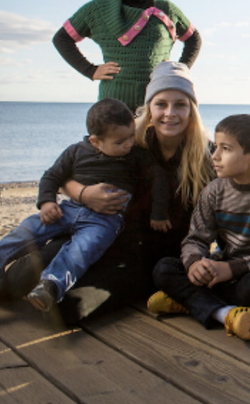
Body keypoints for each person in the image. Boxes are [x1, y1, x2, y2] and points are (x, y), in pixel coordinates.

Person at [0, 61, 215, 324]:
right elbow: (69, 169)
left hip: (150, 261)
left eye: (180, 104)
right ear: (150, 107)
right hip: (101, 235)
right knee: (25, 272)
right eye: (161, 104)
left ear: (191, 109)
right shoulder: (127, 139)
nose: (170, 113)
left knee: (68, 310)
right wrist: (83, 193)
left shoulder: (206, 155)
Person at [148, 114, 250, 341]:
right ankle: (225, 313)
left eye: (225, 149)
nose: (214, 155)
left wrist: (231, 269)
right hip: (224, 271)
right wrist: (195, 263)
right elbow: (195, 239)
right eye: (215, 147)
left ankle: (189, 301)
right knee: (164, 268)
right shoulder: (214, 190)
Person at [0, 98, 150, 312]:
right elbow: (52, 176)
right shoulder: (76, 151)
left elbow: (156, 178)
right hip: (68, 211)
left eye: (131, 137)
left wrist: (159, 214)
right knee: (26, 230)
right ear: (95, 142)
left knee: (80, 251)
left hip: (103, 222)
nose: (128, 144)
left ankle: (50, 286)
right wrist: (47, 202)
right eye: (120, 142)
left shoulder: (136, 156)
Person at [52, 0, 202, 111]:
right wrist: (90, 70)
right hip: (114, 105)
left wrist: (177, 74)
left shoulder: (167, 10)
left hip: (158, 106)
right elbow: (62, 38)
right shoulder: (98, 9)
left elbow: (194, 39)